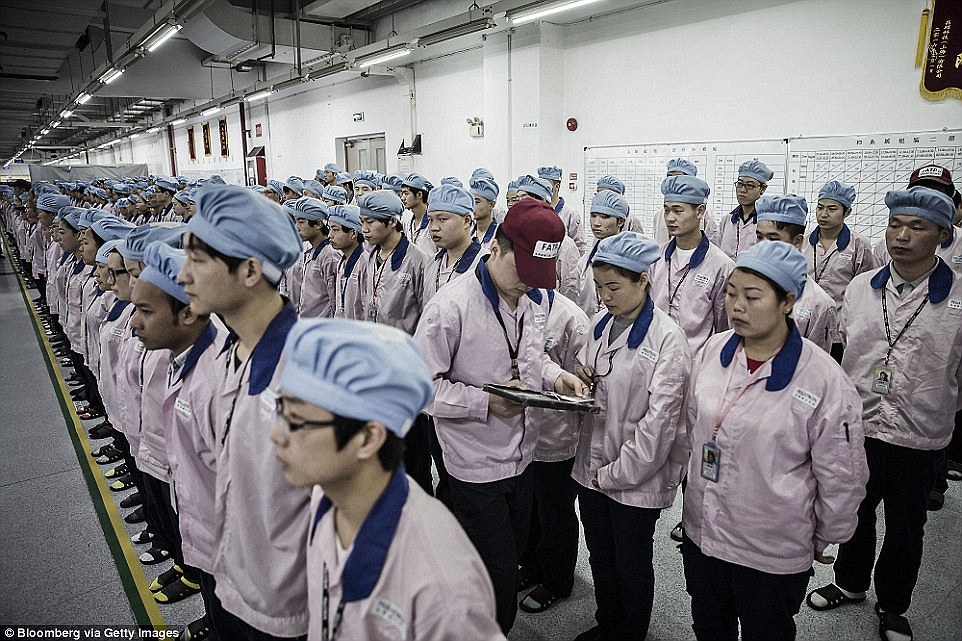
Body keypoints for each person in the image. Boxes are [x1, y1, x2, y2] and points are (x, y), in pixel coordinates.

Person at [268, 319, 504, 641]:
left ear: (367, 438)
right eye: (281, 410)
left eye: (296, 420)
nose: (276, 435)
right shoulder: (326, 497)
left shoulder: (442, 590)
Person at [414, 198, 588, 634]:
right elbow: (419, 389)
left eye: (537, 279)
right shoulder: (450, 308)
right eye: (522, 275)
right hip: (474, 463)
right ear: (497, 248)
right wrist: (485, 402)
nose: (528, 287)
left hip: (522, 456)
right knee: (494, 574)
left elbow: (529, 362)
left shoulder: (534, 300)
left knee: (508, 558)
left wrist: (556, 377)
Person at [683, 240, 868, 641]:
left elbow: (843, 476)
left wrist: (823, 535)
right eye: (731, 294)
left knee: (766, 631)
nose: (736, 306)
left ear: (787, 302)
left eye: (752, 296)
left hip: (771, 547)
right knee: (709, 626)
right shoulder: (713, 352)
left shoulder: (823, 381)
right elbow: (692, 428)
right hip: (704, 532)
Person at [807, 186, 962, 641]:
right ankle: (850, 583)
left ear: (942, 235)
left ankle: (894, 605)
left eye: (917, 227)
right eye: (895, 224)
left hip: (920, 433)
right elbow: (842, 351)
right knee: (855, 510)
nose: (902, 236)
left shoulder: (957, 298)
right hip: (861, 426)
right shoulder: (860, 288)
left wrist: (939, 406)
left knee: (906, 525)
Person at [178, 184, 308, 641]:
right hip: (237, 578)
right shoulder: (228, 352)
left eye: (198, 260)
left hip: (291, 605)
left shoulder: (309, 377)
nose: (183, 276)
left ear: (250, 270)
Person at [571, 232, 692, 641]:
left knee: (631, 560)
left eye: (614, 287)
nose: (604, 296)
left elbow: (660, 427)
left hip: (635, 477)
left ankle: (630, 632)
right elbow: (592, 371)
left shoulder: (667, 339)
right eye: (600, 286)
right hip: (592, 466)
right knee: (601, 555)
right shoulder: (601, 324)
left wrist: (614, 474)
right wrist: (582, 376)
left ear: (643, 280)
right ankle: (609, 623)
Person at [517, 291, 589, 615]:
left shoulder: (571, 318)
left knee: (555, 510)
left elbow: (583, 386)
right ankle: (532, 565)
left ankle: (558, 580)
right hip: (521, 430)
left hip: (557, 432)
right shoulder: (512, 304)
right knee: (530, 505)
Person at [649, 175, 734, 356]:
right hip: (655, 356)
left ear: (700, 211)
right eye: (666, 210)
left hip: (697, 361)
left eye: (678, 211)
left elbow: (723, 327)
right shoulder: (654, 258)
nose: (670, 218)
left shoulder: (721, 266)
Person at [801, 180, 876, 361]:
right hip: (803, 325)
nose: (823, 214)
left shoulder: (858, 245)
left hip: (838, 331)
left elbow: (864, 292)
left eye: (832, 209)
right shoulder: (803, 242)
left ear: (847, 212)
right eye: (820, 208)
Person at [755, 195, 837, 353]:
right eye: (759, 237)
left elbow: (816, 365)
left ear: (797, 242)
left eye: (773, 239)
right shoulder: (744, 288)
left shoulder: (819, 304)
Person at [356, 190, 428, 334]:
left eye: (370, 222)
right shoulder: (371, 255)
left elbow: (426, 314)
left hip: (403, 347)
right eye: (362, 222)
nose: (364, 229)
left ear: (393, 222)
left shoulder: (416, 260)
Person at [422, 184, 485, 303]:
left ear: (466, 221)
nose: (434, 227)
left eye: (442, 219)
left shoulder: (483, 265)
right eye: (430, 220)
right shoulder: (432, 263)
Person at [574, 190, 629, 317]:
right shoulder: (584, 263)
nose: (596, 223)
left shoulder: (632, 263)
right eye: (593, 215)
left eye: (604, 217)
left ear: (620, 221)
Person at [652, 159, 718, 244]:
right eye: (669, 177)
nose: (672, 181)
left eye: (678, 177)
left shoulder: (705, 212)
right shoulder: (660, 214)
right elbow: (660, 244)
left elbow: (712, 241)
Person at [717, 160, 772, 260]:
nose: (742, 190)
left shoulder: (767, 223)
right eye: (740, 184)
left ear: (763, 189)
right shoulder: (727, 220)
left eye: (750, 185)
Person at [328, 205, 365, 321]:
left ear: (353, 233)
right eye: (329, 229)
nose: (330, 235)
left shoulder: (365, 264)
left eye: (335, 230)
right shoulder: (342, 262)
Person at [538, 166, 585, 254]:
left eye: (546, 185)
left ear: (556, 187)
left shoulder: (570, 213)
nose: (542, 189)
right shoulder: (537, 210)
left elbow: (580, 247)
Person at [399, 173, 437, 256]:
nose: (402, 198)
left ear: (419, 195)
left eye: (406, 193)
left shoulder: (433, 223)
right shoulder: (408, 221)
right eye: (402, 194)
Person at [470, 176, 500, 251]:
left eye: (477, 202)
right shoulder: (467, 232)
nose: (472, 206)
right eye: (471, 202)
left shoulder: (500, 234)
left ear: (491, 205)